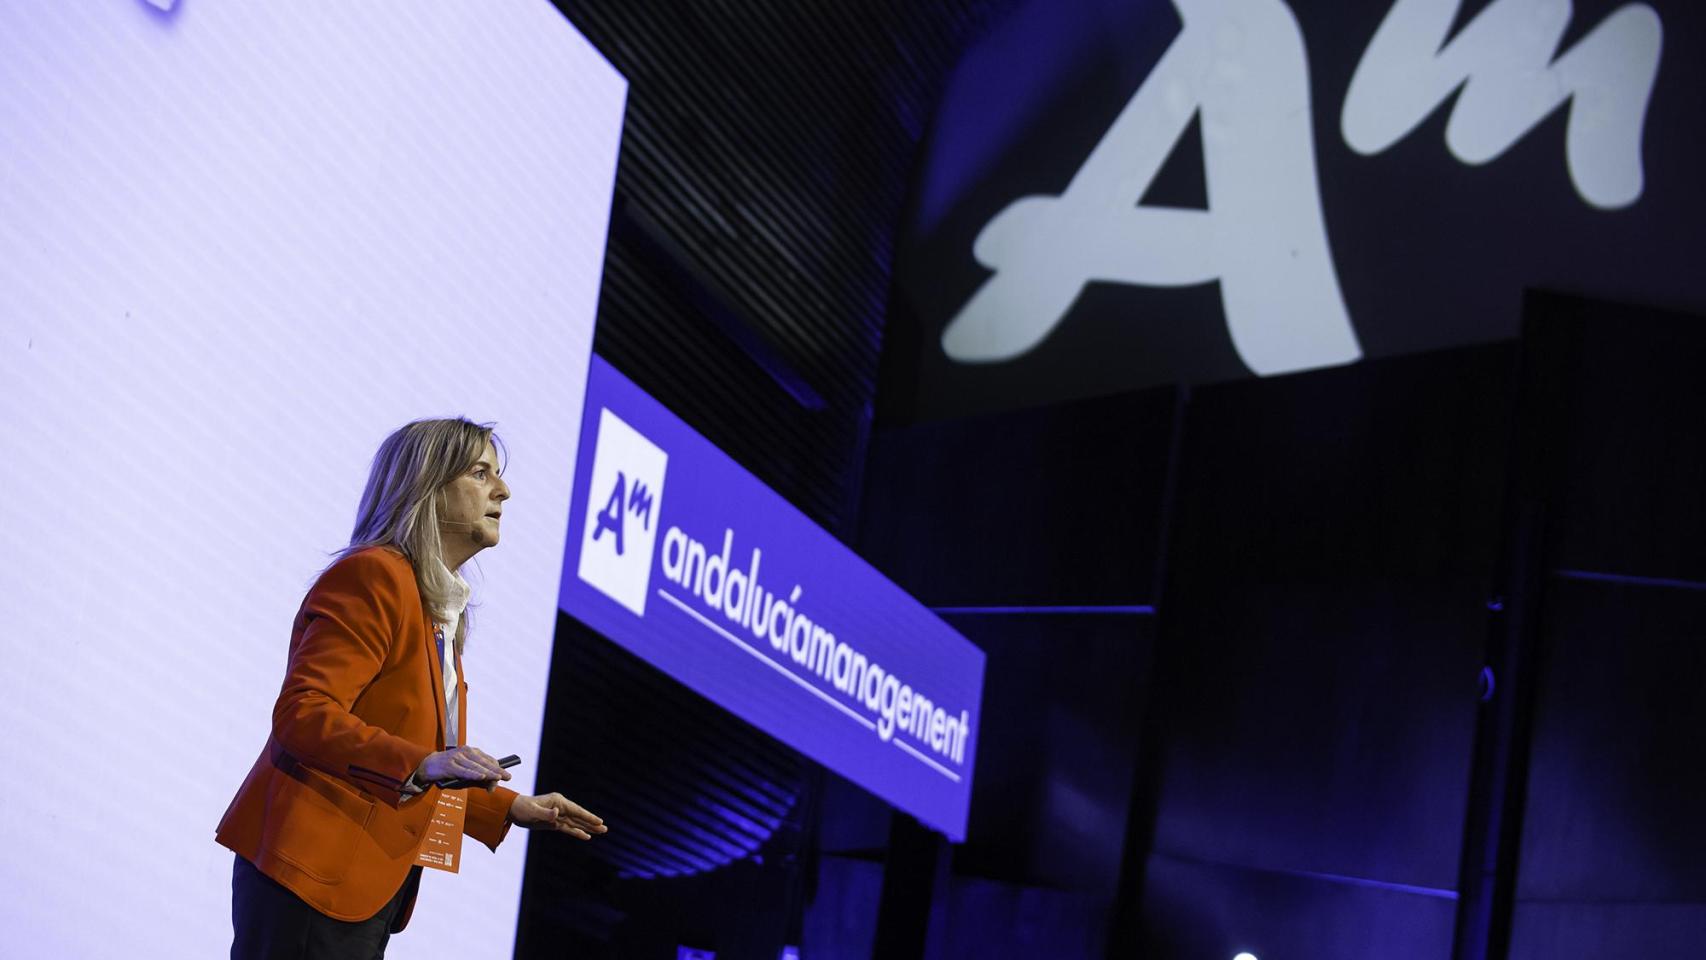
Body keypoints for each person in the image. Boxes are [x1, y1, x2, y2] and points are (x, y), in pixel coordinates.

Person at [216, 418, 606, 958]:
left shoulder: (437, 611)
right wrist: (421, 764)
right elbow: (304, 714)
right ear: (428, 486)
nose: (504, 490)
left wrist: (511, 808)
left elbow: (430, 764)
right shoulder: (374, 576)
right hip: (312, 874)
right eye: (480, 472)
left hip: (363, 888)